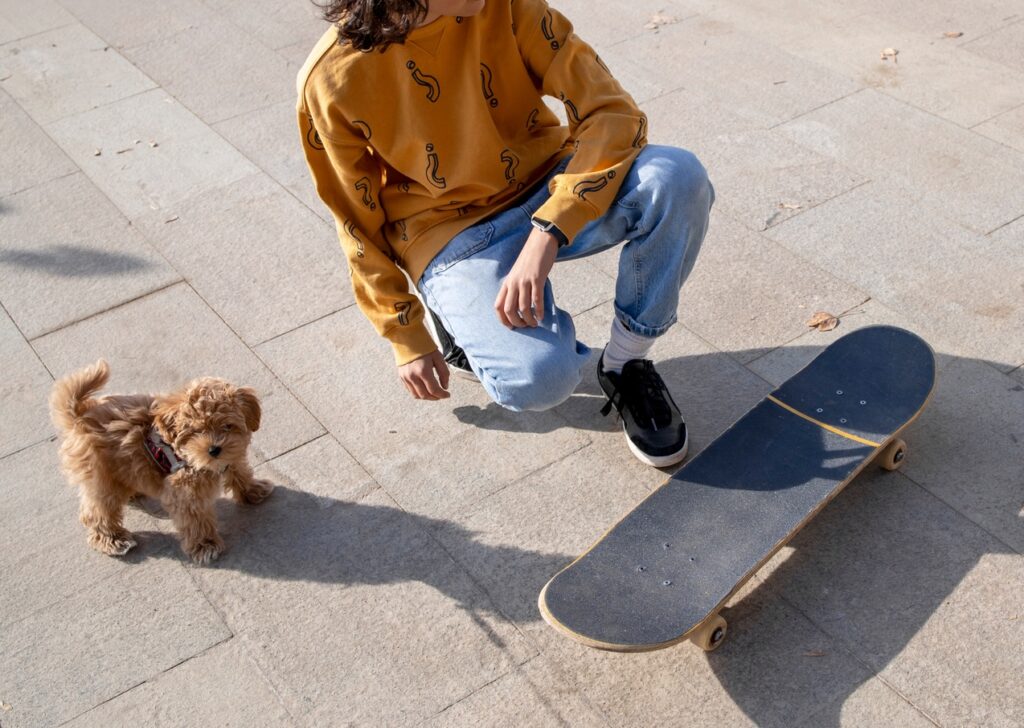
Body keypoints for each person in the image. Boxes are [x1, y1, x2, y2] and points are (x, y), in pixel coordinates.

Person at [296, 0, 714, 466]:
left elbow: (612, 111)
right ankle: (453, 313)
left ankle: (625, 365)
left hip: (546, 176)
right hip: (447, 231)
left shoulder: (504, 5)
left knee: (677, 178)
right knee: (538, 380)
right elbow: (355, 219)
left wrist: (550, 229)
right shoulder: (329, 78)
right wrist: (404, 334)